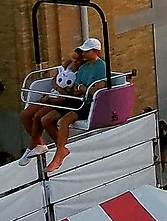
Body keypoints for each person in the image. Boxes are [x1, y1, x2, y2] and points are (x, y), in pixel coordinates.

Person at [21, 39, 108, 172]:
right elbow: (75, 88)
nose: (84, 53)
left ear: (95, 51)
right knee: (45, 119)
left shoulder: (101, 67)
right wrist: (83, 88)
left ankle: (58, 153)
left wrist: (82, 88)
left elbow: (95, 90)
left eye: (87, 51)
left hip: (88, 103)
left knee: (63, 121)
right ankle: (53, 147)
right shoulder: (83, 67)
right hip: (75, 98)